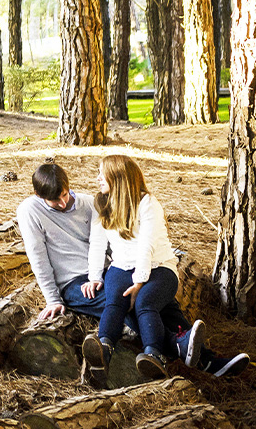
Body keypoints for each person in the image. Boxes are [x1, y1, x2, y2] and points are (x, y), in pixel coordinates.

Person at [16, 161, 249, 380]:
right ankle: (176, 348)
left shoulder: (91, 202)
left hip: (109, 270)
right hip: (74, 283)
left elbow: (112, 241)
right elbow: (38, 257)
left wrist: (131, 272)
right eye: (54, 201)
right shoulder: (30, 210)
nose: (63, 203)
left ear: (68, 186)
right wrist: (52, 299)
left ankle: (206, 359)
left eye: (64, 195)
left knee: (160, 301)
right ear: (39, 196)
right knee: (126, 301)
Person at [83, 154, 202, 379]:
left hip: (159, 267)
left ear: (117, 177)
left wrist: (139, 281)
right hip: (120, 267)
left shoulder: (147, 203)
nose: (98, 178)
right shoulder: (102, 203)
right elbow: (97, 244)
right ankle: (103, 349)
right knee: (115, 300)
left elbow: (146, 245)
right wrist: (95, 277)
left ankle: (154, 355)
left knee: (145, 302)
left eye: (102, 173)